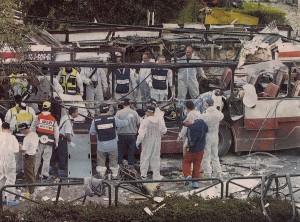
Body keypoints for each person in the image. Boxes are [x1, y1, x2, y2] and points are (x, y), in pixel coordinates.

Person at [89, 103, 133, 179]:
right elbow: (123, 123)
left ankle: (102, 175)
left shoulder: (95, 120)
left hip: (101, 145)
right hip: (113, 144)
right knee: (113, 159)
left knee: (101, 160)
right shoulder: (113, 118)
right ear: (108, 110)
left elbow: (92, 132)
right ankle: (114, 175)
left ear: (100, 111)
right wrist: (129, 118)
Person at [30, 101, 59, 181]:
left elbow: (32, 128)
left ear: (42, 107)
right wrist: (56, 142)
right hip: (49, 141)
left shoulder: (38, 116)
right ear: (50, 108)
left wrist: (31, 138)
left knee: (37, 157)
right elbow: (56, 132)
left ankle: (34, 173)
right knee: (47, 159)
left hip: (38, 140)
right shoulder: (53, 119)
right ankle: (44, 175)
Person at [136, 106, 167, 180]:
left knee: (145, 157)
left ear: (149, 112)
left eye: (146, 112)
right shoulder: (159, 120)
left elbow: (141, 134)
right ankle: (156, 175)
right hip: (157, 140)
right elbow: (164, 130)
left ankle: (143, 175)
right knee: (156, 157)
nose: (145, 113)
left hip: (147, 141)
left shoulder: (145, 121)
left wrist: (137, 142)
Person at [50, 106, 78, 177]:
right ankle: (61, 172)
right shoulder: (69, 121)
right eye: (77, 112)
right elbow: (67, 134)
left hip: (58, 137)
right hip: (62, 139)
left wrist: (72, 133)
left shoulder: (65, 116)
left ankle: (50, 170)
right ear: (73, 113)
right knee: (63, 155)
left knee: (54, 154)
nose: (78, 113)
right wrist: (70, 142)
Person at [200, 97, 224, 179]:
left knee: (206, 156)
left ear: (206, 104)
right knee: (215, 155)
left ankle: (208, 174)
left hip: (208, 136)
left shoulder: (205, 115)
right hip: (215, 136)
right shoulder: (218, 114)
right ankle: (218, 173)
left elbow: (200, 120)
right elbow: (221, 116)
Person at [181, 115, 208, 188]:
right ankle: (195, 183)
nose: (185, 126)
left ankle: (188, 176)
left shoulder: (190, 129)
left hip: (192, 151)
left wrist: (187, 146)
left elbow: (191, 141)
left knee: (186, 162)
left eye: (184, 124)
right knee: (197, 166)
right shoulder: (201, 122)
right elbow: (207, 129)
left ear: (187, 121)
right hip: (201, 149)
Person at [115, 98, 140, 168]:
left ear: (123, 104)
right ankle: (130, 165)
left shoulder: (118, 113)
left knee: (120, 150)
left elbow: (115, 123)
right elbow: (138, 123)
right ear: (130, 104)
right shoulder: (134, 113)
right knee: (131, 151)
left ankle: (119, 164)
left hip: (120, 134)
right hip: (132, 135)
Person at [0, 122, 20, 206]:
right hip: (9, 161)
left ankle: (1, 199)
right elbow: (16, 150)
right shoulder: (12, 137)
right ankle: (10, 200)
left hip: (0, 161)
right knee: (11, 180)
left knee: (1, 180)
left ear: (1, 127)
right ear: (9, 128)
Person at [19, 123, 39, 198]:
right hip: (33, 155)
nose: (21, 132)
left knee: (29, 175)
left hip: (27, 157)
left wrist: (18, 147)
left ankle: (31, 193)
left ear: (24, 130)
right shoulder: (34, 134)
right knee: (32, 173)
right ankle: (33, 189)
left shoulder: (26, 138)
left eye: (21, 131)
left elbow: (23, 150)